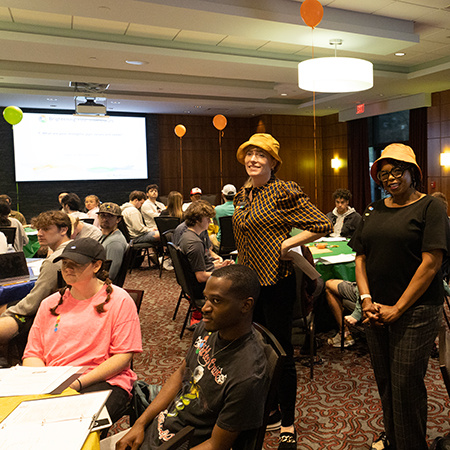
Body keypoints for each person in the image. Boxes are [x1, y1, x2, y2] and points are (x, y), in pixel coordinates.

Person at [233, 133, 332, 449]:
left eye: (261, 155)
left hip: (276, 283)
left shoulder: (283, 191)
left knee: (281, 353)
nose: (253, 159)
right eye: (249, 153)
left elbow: (321, 224)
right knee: (256, 351)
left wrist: (289, 242)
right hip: (250, 285)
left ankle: (287, 421)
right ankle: (270, 409)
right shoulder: (242, 195)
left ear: (273, 162)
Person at [349, 143, 449, 450]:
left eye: (397, 171)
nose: (390, 178)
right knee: (387, 385)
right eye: (383, 173)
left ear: (412, 173)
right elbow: (361, 257)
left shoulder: (430, 207)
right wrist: (365, 300)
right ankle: (394, 438)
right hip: (376, 310)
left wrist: (399, 308)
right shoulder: (375, 209)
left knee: (405, 387)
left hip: (416, 312)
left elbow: (431, 262)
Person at [116, 264, 269, 450]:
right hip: (159, 427)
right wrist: (140, 423)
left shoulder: (247, 375)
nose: (205, 308)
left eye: (217, 301)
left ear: (246, 305)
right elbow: (181, 374)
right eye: (206, 298)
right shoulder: (207, 328)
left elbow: (216, 445)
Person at [23, 238, 142, 436]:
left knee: (73, 432)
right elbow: (32, 354)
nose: (68, 269)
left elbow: (122, 357)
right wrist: (43, 383)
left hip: (104, 380)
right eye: (65, 264)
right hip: (54, 382)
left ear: (96, 266)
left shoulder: (119, 301)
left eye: (75, 264)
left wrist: (76, 384)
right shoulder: (50, 304)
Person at [0, 211, 72, 343]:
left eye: (45, 229)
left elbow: (33, 303)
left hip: (47, 315)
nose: (39, 233)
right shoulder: (75, 249)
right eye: (38, 229)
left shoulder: (54, 262)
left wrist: (7, 314)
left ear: (63, 230)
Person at [178, 201, 233, 299]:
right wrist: (224, 273)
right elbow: (201, 276)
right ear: (197, 220)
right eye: (207, 219)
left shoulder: (186, 235)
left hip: (196, 284)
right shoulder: (195, 243)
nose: (210, 222)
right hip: (203, 287)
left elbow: (198, 266)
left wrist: (218, 266)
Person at [325, 279, 362, 347]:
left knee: (328, 284)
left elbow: (364, 285)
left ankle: (344, 333)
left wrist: (357, 314)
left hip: (366, 297)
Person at [97, 202, 128, 281]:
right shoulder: (106, 236)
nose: (105, 219)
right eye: (102, 215)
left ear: (118, 219)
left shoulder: (115, 242)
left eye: (110, 216)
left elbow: (110, 275)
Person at [210, 184, 236, 252]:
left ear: (223, 195)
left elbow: (215, 224)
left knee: (211, 236)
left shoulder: (217, 209)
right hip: (239, 242)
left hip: (222, 243)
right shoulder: (241, 208)